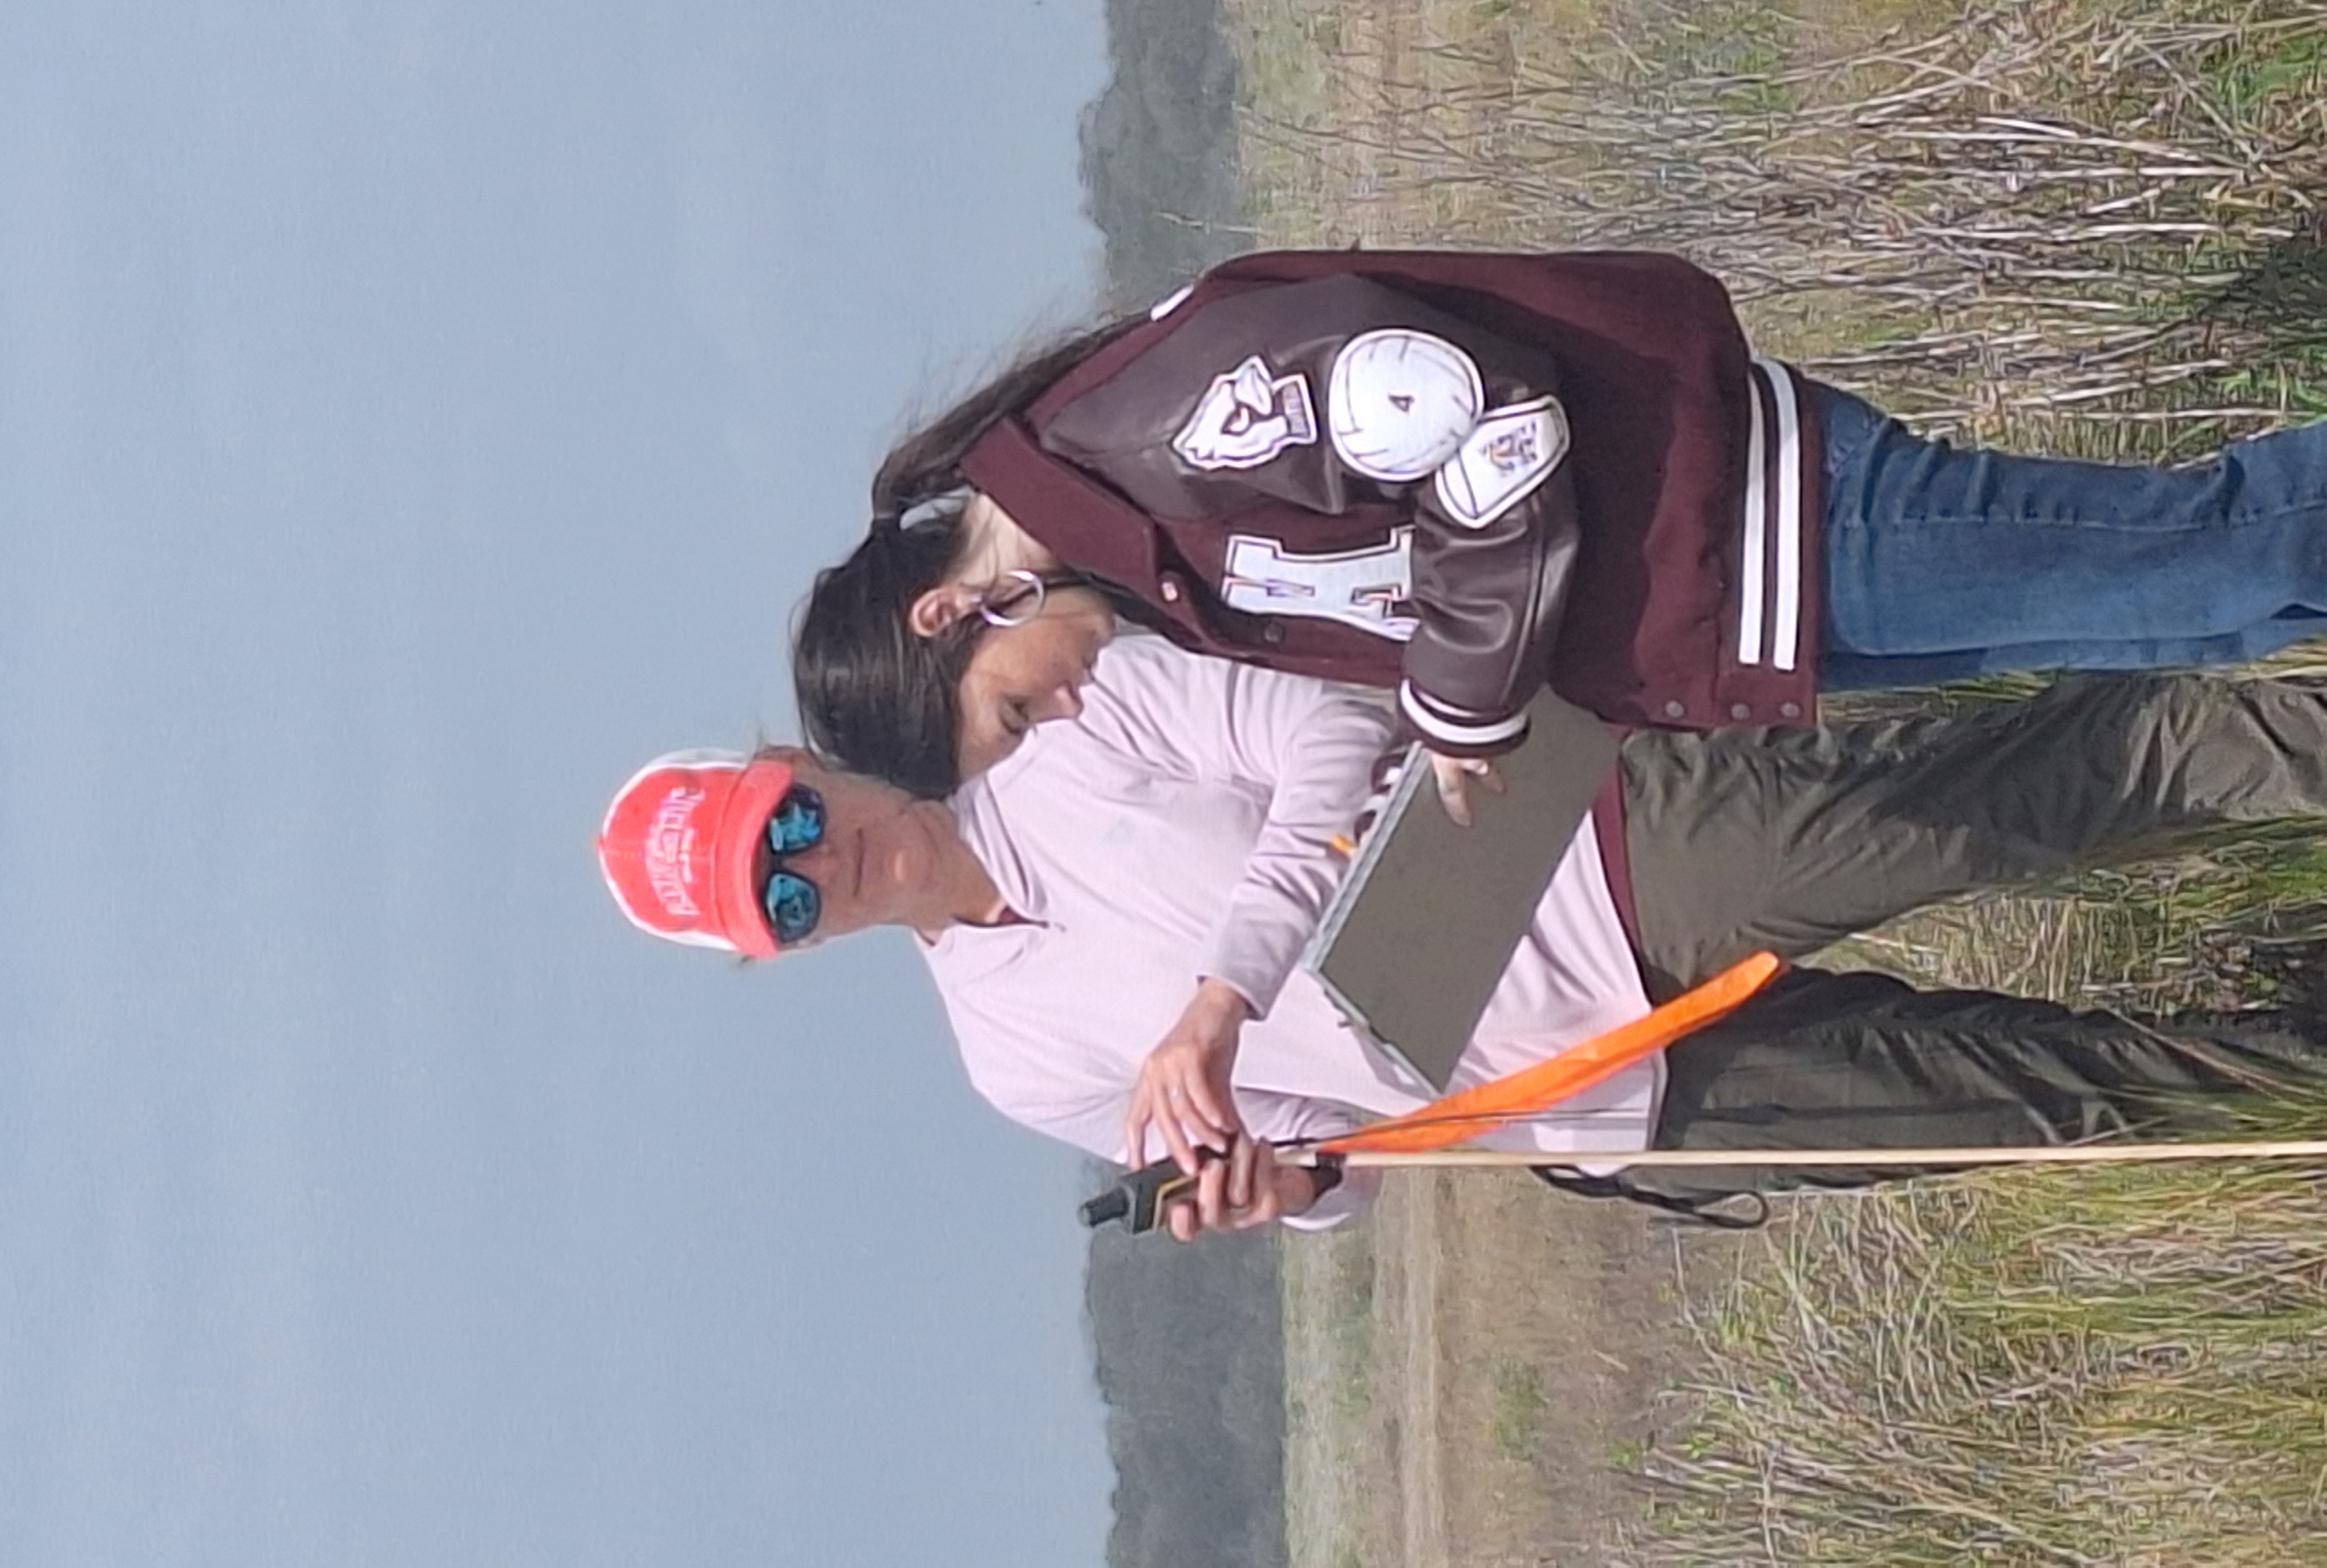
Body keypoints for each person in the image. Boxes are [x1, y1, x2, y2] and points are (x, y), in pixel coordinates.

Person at [601, 634, 2327, 1241]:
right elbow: (1343, 1176)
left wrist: (1221, 994)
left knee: (2069, 782)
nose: (831, 856)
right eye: (789, 889)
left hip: (1603, 852)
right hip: (1596, 1105)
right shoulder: (1011, 1059)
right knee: (2090, 1107)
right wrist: (1285, 1188)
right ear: (782, 952)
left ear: (789, 759)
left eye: (793, 821)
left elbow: (1335, 742)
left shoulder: (1053, 710)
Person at [789, 248, 2327, 811]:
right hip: (1746, 609)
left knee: (2233, 550)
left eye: (1017, 710)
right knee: (2198, 614)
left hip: (1774, 517)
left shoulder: (1151, 434)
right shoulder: (1138, 548)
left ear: (948, 615)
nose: (1068, 707)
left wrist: (1463, 704)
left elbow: (1480, 411)